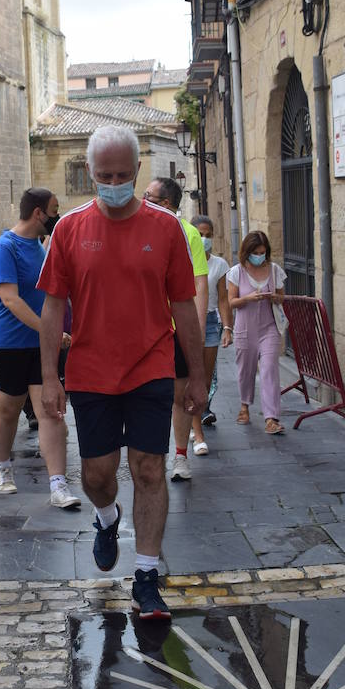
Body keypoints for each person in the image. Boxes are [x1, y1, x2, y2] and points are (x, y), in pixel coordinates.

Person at [38, 125, 206, 620]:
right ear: (90, 173)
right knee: (96, 475)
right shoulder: (69, 229)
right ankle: (106, 517)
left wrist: (197, 376)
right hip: (90, 372)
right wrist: (50, 376)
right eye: (104, 174)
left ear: (137, 172)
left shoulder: (165, 228)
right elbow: (52, 308)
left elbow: (184, 305)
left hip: (151, 366)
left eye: (122, 174)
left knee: (150, 468)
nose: (113, 182)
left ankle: (147, 576)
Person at [0, 187, 79, 509]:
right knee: (9, 410)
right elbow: (10, 299)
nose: (58, 214)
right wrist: (50, 331)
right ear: (39, 212)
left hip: (41, 347)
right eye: (54, 209)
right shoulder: (5, 246)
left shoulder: (42, 247)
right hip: (10, 345)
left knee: (51, 411)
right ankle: (2, 467)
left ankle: (58, 484)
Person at [143, 176, 209, 482]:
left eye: (148, 196)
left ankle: (180, 456)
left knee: (180, 396)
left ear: (165, 204)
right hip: (143, 331)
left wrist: (193, 332)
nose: (141, 199)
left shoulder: (188, 233)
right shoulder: (134, 227)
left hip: (174, 331)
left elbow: (199, 282)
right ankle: (150, 455)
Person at [228, 229, 287, 436]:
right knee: (246, 370)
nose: (259, 256)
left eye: (263, 252)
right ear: (248, 252)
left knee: (270, 368)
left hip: (268, 327)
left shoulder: (275, 270)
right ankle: (245, 405)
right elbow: (231, 302)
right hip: (244, 328)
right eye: (256, 252)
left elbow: (282, 298)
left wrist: (274, 297)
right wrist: (248, 299)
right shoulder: (237, 272)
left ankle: (271, 418)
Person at [188, 214, 232, 454]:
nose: (205, 239)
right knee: (192, 378)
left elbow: (223, 299)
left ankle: (195, 418)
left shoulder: (220, 264)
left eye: (208, 235)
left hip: (212, 321)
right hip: (188, 321)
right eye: (200, 234)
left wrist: (227, 327)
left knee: (204, 381)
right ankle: (197, 434)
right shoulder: (184, 260)